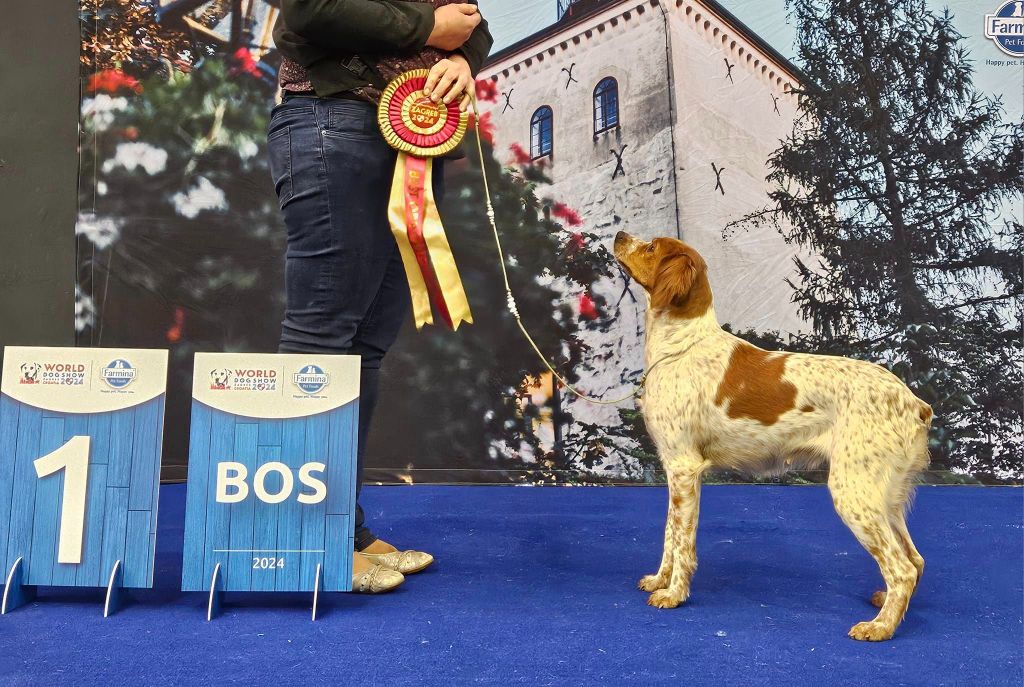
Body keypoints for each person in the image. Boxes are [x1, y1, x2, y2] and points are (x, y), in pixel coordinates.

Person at [269, 1, 493, 593]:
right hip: (329, 119)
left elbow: (472, 21)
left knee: (365, 343)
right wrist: (426, 31)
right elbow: (309, 9)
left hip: (410, 136)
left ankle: (343, 525)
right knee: (321, 336)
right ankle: (305, 537)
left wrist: (464, 60)